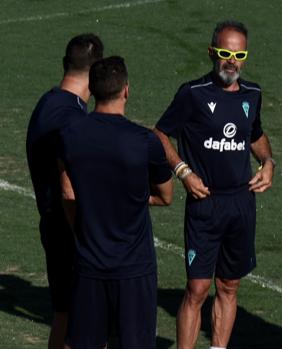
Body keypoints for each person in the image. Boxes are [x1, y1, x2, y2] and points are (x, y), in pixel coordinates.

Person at [154, 20, 275, 349]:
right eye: (224, 53)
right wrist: (183, 171)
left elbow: (256, 134)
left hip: (241, 204)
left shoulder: (253, 94)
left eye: (238, 54)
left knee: (229, 285)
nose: (231, 61)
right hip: (205, 204)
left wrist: (268, 162)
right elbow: (159, 133)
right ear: (211, 53)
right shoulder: (192, 94)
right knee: (196, 289)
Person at [58, 56, 173, 349]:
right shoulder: (145, 141)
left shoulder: (70, 135)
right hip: (134, 268)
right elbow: (165, 196)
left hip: (88, 263)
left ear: (92, 91)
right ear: (126, 90)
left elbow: (68, 192)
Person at [26, 33, 103, 349]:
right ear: (97, 73)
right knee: (86, 323)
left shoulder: (47, 102)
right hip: (70, 229)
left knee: (65, 315)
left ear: (64, 64)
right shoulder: (72, 119)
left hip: (52, 223)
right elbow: (71, 184)